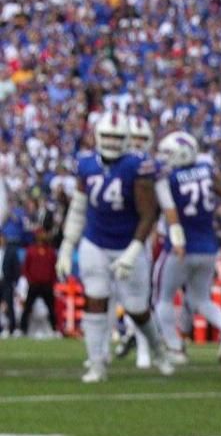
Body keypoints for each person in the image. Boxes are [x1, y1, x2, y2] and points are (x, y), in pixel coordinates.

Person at [59, 109, 173, 382]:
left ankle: (158, 349)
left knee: (136, 308)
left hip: (128, 242)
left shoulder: (137, 165)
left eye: (116, 137)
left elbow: (148, 215)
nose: (110, 142)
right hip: (95, 241)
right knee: (95, 298)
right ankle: (97, 363)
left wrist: (133, 253)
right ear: (97, 136)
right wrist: (66, 246)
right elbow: (78, 208)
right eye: (106, 136)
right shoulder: (86, 164)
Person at [152, 131, 221, 365]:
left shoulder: (169, 178)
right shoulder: (206, 171)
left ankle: (175, 347)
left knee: (163, 298)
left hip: (179, 246)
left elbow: (166, 210)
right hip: (208, 247)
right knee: (201, 299)